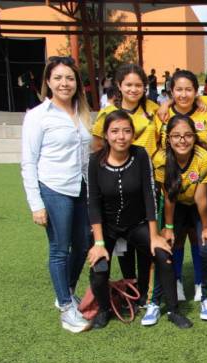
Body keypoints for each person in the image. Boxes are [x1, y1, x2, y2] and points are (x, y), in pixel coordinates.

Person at [86, 110, 192, 330]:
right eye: (115, 131)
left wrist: (154, 236)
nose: (121, 136)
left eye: (126, 131)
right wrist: (99, 243)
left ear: (133, 134)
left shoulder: (140, 155)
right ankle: (104, 310)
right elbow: (93, 203)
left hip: (137, 224)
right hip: (108, 228)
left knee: (164, 255)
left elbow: (149, 196)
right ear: (105, 135)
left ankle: (173, 310)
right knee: (99, 268)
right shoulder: (95, 161)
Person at [21, 55, 92, 333]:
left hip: (80, 187)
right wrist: (36, 204)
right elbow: (28, 162)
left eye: (70, 78)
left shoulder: (82, 113)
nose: (65, 83)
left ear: (77, 83)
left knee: (83, 243)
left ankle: (67, 291)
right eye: (58, 78)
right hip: (54, 189)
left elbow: (86, 156)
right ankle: (65, 308)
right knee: (60, 249)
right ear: (48, 82)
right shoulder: (38, 116)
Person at [91, 63, 162, 311]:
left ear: (145, 87)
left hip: (148, 180)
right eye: (128, 84)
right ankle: (128, 287)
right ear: (119, 86)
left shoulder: (154, 110)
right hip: (117, 181)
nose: (133, 89)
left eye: (138, 85)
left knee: (143, 239)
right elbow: (97, 147)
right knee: (122, 242)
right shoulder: (107, 113)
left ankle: (143, 291)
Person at [152, 114, 207, 320]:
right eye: (176, 136)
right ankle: (176, 282)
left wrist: (206, 227)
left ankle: (203, 288)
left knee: (204, 243)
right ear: (168, 138)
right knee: (171, 242)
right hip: (175, 203)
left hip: (199, 204)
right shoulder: (161, 159)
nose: (182, 140)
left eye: (188, 135)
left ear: (195, 137)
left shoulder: (203, 157)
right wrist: (169, 227)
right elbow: (168, 196)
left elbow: (201, 197)